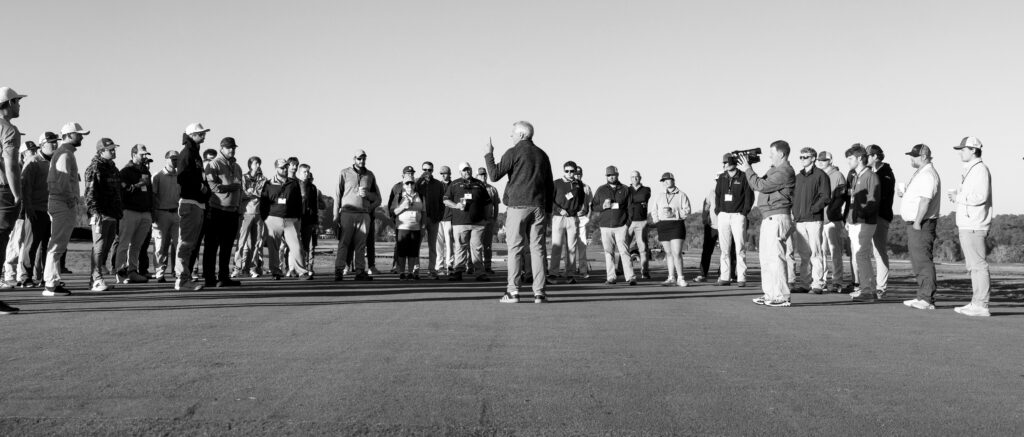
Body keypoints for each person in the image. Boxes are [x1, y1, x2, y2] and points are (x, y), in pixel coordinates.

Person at [486, 121, 554, 303]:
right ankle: (540, 292)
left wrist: (489, 154)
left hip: (518, 206)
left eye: (513, 133)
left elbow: (493, 175)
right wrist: (548, 211)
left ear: (522, 135)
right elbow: (549, 185)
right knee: (538, 249)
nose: (511, 136)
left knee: (515, 248)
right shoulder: (542, 154)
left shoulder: (514, 152)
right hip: (538, 206)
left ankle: (513, 292)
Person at [738, 140, 796, 307]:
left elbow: (760, 185)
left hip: (777, 217)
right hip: (768, 217)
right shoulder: (774, 170)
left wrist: (748, 168)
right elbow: (758, 182)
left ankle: (782, 296)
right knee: (766, 258)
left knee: (776, 257)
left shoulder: (785, 171)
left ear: (781, 154)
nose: (769, 155)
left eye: (772, 152)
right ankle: (770, 293)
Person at [42, 122, 88, 297]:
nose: (82, 137)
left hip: (60, 202)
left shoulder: (65, 153)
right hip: (61, 203)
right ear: (69, 135)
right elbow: (61, 182)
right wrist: (70, 200)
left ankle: (52, 281)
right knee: (57, 245)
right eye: (79, 134)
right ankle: (51, 284)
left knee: (57, 244)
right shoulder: (65, 154)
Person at [895, 144, 942, 310]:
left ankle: (927, 299)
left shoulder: (928, 174)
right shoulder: (921, 173)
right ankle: (923, 296)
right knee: (917, 259)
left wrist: (917, 222)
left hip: (922, 222)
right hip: (917, 222)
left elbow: (925, 200)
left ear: (923, 156)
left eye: (914, 156)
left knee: (922, 259)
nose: (911, 159)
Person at [950, 137, 992, 316]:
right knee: (972, 266)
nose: (961, 152)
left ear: (973, 150)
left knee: (978, 265)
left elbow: (981, 196)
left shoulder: (980, 169)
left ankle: (981, 304)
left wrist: (958, 198)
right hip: (968, 223)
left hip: (975, 223)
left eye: (964, 149)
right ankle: (976, 301)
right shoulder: (971, 169)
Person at [261, 158, 312, 280]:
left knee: (296, 246)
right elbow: (263, 202)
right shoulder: (268, 184)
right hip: (273, 219)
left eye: (286, 167)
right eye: (282, 167)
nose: (285, 169)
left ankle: (302, 271)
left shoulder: (293, 183)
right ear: (276, 168)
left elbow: (298, 202)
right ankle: (276, 271)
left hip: (291, 220)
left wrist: (298, 217)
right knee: (273, 248)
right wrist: (265, 218)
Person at [202, 137, 244, 287]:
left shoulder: (237, 167)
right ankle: (209, 277)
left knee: (227, 246)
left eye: (233, 147)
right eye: (228, 147)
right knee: (212, 246)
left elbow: (240, 189)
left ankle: (224, 276)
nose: (231, 150)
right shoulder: (214, 164)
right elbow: (211, 185)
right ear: (221, 148)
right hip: (217, 209)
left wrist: (239, 208)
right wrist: (230, 187)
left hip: (232, 211)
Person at [175, 123, 212, 291]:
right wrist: (200, 187)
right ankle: (182, 280)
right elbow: (183, 178)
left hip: (198, 203)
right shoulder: (187, 153)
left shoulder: (195, 153)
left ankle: (185, 278)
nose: (203, 135)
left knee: (192, 244)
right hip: (189, 203)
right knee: (186, 243)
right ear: (192, 135)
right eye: (200, 133)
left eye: (203, 133)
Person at [333, 149, 380, 281]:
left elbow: (378, 198)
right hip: (347, 213)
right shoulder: (344, 173)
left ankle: (360, 271)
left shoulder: (370, 175)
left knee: (361, 245)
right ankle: (339, 270)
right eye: (359, 158)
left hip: (363, 215)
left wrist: (368, 199)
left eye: (364, 158)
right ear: (354, 159)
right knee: (344, 243)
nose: (362, 161)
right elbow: (337, 196)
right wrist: (335, 217)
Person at [19, 132, 58, 288]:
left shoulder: (55, 161)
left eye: (56, 142)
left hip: (51, 210)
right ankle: (25, 277)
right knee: (31, 245)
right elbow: (25, 186)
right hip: (35, 209)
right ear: (42, 145)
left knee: (48, 246)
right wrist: (28, 208)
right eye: (51, 142)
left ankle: (44, 277)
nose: (55, 145)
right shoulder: (33, 161)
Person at [84, 138, 123, 292]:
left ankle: (95, 278)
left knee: (106, 247)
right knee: (99, 247)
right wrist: (95, 212)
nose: (114, 151)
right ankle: (96, 278)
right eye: (110, 149)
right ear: (101, 151)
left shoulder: (113, 168)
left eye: (114, 149)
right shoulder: (94, 168)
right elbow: (90, 193)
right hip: (100, 214)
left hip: (113, 214)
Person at [843, 144, 881, 302]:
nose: (848, 162)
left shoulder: (870, 176)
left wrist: (860, 215)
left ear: (860, 158)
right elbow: (853, 200)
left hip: (864, 222)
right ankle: (869, 289)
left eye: (851, 158)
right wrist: (849, 218)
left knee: (861, 255)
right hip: (855, 221)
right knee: (860, 256)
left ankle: (867, 290)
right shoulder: (856, 176)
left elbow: (873, 201)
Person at [790, 147, 831, 294]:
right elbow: (793, 197)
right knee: (804, 254)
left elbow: (825, 196)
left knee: (816, 252)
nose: (802, 159)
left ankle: (818, 284)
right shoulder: (798, 177)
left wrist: (813, 209)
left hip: (814, 219)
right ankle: (805, 283)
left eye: (805, 157)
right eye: (800, 157)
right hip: (800, 220)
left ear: (813, 158)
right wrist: (795, 212)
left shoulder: (821, 175)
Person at [0, 87, 26, 314]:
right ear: (8, 103)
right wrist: (17, 193)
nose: (19, 106)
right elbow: (10, 164)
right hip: (2, 192)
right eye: (17, 102)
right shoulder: (9, 129)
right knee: (0, 242)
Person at [443, 162, 491, 281]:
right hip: (460, 222)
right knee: (460, 247)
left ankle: (479, 273)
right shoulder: (454, 184)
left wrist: (486, 218)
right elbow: (445, 200)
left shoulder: (479, 184)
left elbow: (487, 202)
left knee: (477, 248)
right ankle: (458, 271)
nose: (467, 172)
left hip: (478, 223)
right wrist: (456, 205)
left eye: (468, 169)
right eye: (464, 170)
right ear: (460, 172)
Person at [113, 144, 154, 285]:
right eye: (142, 154)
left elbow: (150, 193)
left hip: (145, 212)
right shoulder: (125, 171)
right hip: (129, 211)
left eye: (145, 154)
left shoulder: (146, 171)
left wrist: (151, 212)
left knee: (137, 245)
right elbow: (124, 191)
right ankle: (120, 273)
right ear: (134, 154)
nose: (144, 157)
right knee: (124, 244)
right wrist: (138, 184)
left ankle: (132, 271)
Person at [591, 165, 636, 286]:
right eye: (609, 175)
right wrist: (603, 207)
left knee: (624, 252)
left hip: (621, 226)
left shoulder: (626, 189)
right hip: (605, 226)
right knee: (608, 252)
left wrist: (627, 224)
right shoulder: (601, 189)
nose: (611, 177)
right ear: (606, 176)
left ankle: (630, 277)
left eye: (613, 175)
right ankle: (611, 277)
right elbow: (593, 206)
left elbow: (630, 208)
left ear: (617, 175)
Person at [714, 154, 754, 287]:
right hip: (723, 215)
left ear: (733, 163)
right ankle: (725, 276)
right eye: (723, 163)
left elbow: (749, 197)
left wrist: (744, 212)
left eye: (726, 162)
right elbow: (718, 195)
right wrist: (718, 211)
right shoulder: (722, 177)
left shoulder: (743, 177)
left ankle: (741, 277)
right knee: (724, 249)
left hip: (738, 216)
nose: (724, 165)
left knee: (740, 248)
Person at [648, 172, 691, 287]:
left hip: (677, 225)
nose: (666, 182)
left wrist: (674, 213)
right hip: (663, 226)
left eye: (668, 180)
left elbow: (687, 211)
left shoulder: (681, 195)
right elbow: (654, 210)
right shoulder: (660, 195)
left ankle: (680, 278)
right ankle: (671, 277)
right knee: (668, 253)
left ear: (673, 180)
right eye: (663, 181)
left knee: (676, 252)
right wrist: (658, 221)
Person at [2, 140, 34, 288]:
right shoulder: (16, 167)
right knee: (13, 246)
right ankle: (9, 275)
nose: (33, 153)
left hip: (23, 213)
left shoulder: (27, 167)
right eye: (30, 151)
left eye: (34, 150)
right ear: (23, 153)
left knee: (22, 247)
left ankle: (21, 275)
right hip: (14, 212)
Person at [815, 151, 848, 293]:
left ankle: (837, 281)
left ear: (831, 160)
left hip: (832, 220)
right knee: (821, 252)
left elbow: (840, 199)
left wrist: (830, 214)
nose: (821, 162)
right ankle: (821, 280)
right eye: (819, 160)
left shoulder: (838, 176)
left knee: (835, 252)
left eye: (824, 160)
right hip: (819, 219)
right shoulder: (818, 175)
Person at [548, 161, 585, 284]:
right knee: (556, 247)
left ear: (575, 171)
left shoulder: (579, 184)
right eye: (567, 171)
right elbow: (549, 200)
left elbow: (582, 200)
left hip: (572, 218)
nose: (569, 173)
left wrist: (580, 209)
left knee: (571, 248)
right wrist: (559, 209)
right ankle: (553, 274)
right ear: (564, 171)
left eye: (572, 171)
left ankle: (570, 274)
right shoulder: (556, 183)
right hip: (559, 218)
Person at [867, 144, 895, 297]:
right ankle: (868, 285)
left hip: (880, 216)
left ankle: (881, 287)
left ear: (875, 156)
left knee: (879, 251)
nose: (866, 158)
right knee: (865, 252)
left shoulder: (886, 173)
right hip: (867, 216)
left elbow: (881, 197)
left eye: (868, 155)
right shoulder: (868, 172)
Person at [697, 173, 736, 283]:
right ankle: (702, 274)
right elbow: (706, 206)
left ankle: (727, 274)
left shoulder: (730, 191)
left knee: (728, 251)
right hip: (712, 226)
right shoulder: (711, 192)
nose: (718, 182)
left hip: (727, 226)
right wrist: (705, 220)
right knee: (706, 251)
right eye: (717, 180)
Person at [233, 156, 266, 278]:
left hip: (258, 214)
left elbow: (263, 193)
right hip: (245, 213)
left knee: (256, 243)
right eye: (256, 163)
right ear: (250, 165)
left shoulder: (263, 179)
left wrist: (251, 192)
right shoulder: (243, 177)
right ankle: (237, 268)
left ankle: (253, 268)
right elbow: (241, 193)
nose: (258, 165)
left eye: (259, 163)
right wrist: (252, 193)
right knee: (241, 242)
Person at [151, 150, 181, 283]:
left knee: (180, 244)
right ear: (166, 159)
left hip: (176, 213)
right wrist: (153, 215)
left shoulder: (180, 176)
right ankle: (159, 272)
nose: (175, 161)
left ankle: (180, 272)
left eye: (177, 158)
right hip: (161, 213)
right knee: (161, 246)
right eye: (172, 158)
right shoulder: (157, 176)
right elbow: (153, 196)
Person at [414, 161, 445, 279]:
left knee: (433, 246)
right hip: (420, 218)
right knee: (417, 245)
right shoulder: (417, 182)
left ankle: (432, 270)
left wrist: (440, 215)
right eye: (424, 169)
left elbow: (442, 201)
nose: (427, 172)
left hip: (434, 218)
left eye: (429, 170)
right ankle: (416, 269)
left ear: (432, 171)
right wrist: (420, 180)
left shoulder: (438, 184)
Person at [393, 174, 424, 280]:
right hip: (402, 228)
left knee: (412, 253)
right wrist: (403, 206)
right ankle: (402, 272)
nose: (410, 185)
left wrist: (423, 226)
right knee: (402, 253)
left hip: (416, 227)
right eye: (407, 183)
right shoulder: (399, 196)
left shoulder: (420, 196)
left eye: (411, 183)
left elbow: (424, 212)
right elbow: (394, 211)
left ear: (414, 185)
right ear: (404, 185)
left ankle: (410, 272)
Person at [297, 164, 325, 276]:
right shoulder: (295, 185)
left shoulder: (313, 188)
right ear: (299, 172)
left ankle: (306, 267)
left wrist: (315, 222)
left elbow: (315, 207)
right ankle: (293, 267)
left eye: (308, 172)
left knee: (307, 246)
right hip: (297, 219)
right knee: (295, 245)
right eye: (304, 172)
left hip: (309, 220)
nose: (307, 174)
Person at [387, 165, 416, 273]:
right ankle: (397, 266)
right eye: (408, 174)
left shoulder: (416, 186)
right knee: (399, 245)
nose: (411, 175)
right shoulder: (397, 187)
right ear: (403, 175)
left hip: (414, 222)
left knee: (413, 246)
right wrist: (393, 218)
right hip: (400, 222)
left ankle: (412, 269)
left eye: (412, 173)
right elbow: (391, 205)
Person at [626, 171, 652, 279]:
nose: (635, 178)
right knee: (624, 247)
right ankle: (622, 270)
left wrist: (632, 201)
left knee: (643, 248)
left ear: (640, 178)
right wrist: (638, 202)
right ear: (630, 179)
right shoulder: (626, 190)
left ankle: (644, 271)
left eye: (637, 177)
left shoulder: (646, 189)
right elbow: (638, 200)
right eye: (633, 177)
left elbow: (643, 198)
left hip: (641, 221)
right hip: (628, 222)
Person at [569, 166, 593, 278]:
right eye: (576, 173)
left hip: (583, 218)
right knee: (570, 246)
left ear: (581, 174)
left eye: (579, 174)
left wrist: (589, 216)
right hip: (571, 218)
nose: (577, 175)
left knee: (582, 246)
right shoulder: (569, 186)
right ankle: (571, 270)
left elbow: (590, 204)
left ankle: (583, 270)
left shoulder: (586, 187)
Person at [477, 167, 500, 275]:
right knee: (475, 245)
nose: (484, 177)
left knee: (487, 245)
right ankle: (474, 266)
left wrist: (494, 218)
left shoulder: (492, 189)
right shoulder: (474, 187)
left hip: (488, 221)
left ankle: (487, 266)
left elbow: (496, 205)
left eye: (485, 174)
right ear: (477, 176)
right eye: (481, 175)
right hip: (476, 221)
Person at [435, 165, 455, 276]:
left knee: (449, 243)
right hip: (439, 218)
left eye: (445, 173)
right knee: (439, 244)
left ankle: (450, 264)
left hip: (449, 217)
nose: (444, 175)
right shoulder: (438, 185)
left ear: (449, 173)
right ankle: (439, 266)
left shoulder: (453, 185)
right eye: (442, 173)